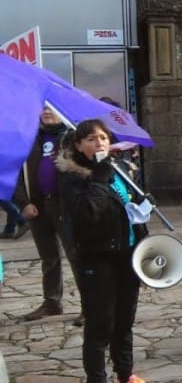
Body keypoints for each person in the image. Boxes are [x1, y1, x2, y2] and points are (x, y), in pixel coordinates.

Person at [55, 118, 149, 383]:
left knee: (124, 321)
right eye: (91, 139)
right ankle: (97, 378)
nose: (99, 143)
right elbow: (87, 214)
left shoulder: (118, 169)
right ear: (78, 145)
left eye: (104, 138)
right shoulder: (73, 176)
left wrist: (143, 203)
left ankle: (125, 374)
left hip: (127, 254)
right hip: (97, 257)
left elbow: (126, 205)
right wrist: (98, 178)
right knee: (100, 325)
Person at [13, 106, 83, 324]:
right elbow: (14, 171)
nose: (46, 112)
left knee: (76, 255)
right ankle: (52, 302)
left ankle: (89, 304)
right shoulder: (29, 138)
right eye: (43, 107)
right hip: (37, 205)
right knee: (48, 257)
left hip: (65, 205)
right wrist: (23, 203)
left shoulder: (73, 137)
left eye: (51, 108)